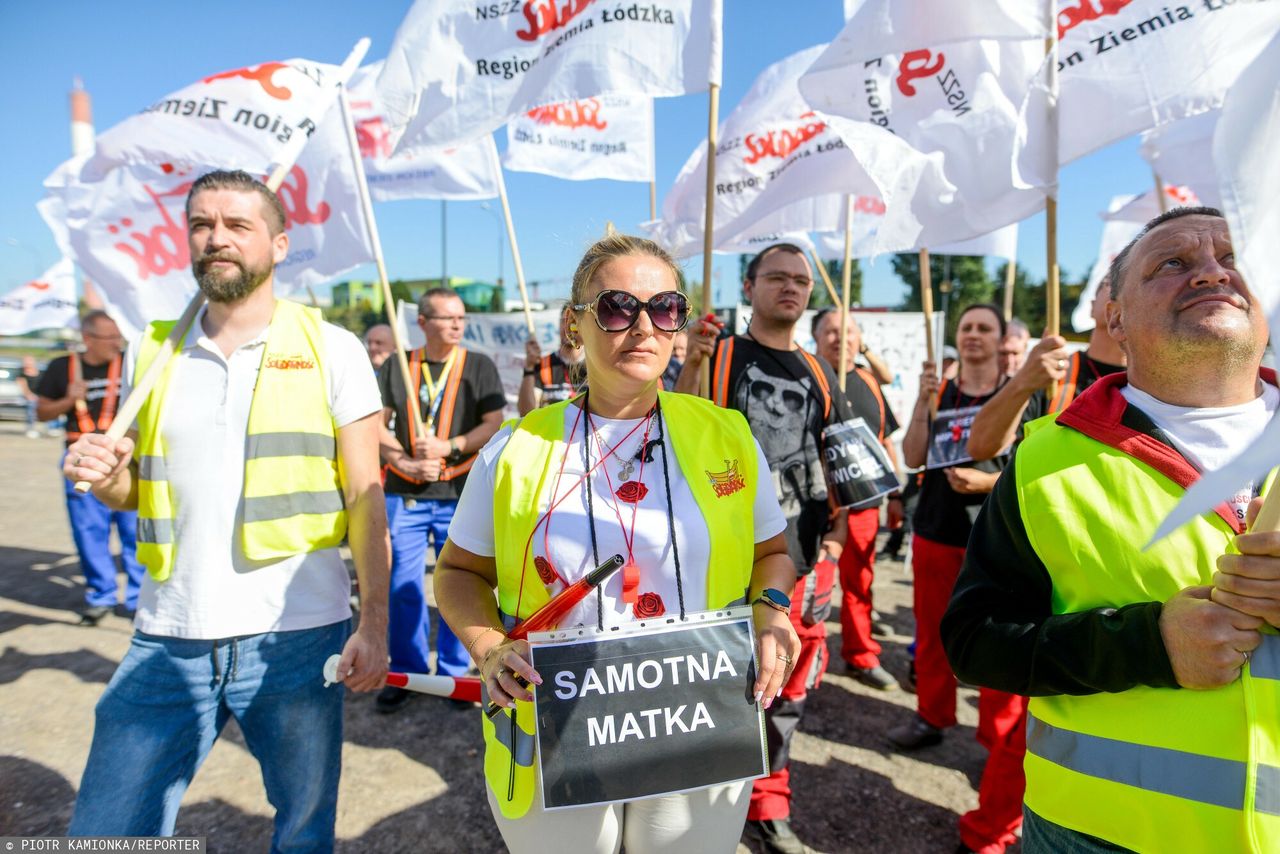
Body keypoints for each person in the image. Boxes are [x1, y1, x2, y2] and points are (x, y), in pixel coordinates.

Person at [434, 233, 800, 853]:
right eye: (616, 307)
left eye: (664, 308)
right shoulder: (515, 450)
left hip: (698, 712)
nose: (643, 326)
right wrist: (489, 647)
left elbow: (773, 553)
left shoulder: (729, 436)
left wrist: (773, 609)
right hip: (557, 720)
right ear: (576, 327)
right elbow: (458, 574)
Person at [63, 169, 389, 846]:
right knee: (108, 828)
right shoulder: (153, 352)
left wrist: (377, 624)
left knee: (302, 830)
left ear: (278, 244)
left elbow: (366, 498)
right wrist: (105, 476)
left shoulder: (333, 348)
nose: (217, 239)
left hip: (295, 636)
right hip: (166, 630)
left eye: (238, 225)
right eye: (202, 225)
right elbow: (136, 493)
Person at [943, 207, 1279, 853]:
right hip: (1097, 835)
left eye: (1233, 258)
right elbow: (975, 641)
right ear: (1114, 317)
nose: (1212, 273)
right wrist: (1147, 645)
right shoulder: (1045, 461)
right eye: (1173, 263)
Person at [679, 243, 851, 854]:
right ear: (748, 286)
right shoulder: (717, 355)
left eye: (801, 280)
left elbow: (837, 462)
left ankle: (768, 799)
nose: (791, 287)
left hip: (797, 560)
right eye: (776, 277)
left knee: (784, 685)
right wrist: (691, 366)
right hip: (719, 564)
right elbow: (676, 426)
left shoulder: (821, 372)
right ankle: (696, 801)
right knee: (712, 683)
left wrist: (836, 537)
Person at [894, 303, 1027, 854]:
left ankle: (996, 746)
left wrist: (987, 485)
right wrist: (925, 403)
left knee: (998, 650)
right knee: (932, 637)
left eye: (985, 328)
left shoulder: (1022, 393)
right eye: (967, 327)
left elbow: (1035, 471)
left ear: (1001, 340)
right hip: (937, 532)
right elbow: (912, 456)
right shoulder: (940, 391)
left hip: (998, 545)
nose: (974, 336)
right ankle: (932, 716)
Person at [376, 287, 505, 712]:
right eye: (448, 318)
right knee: (404, 587)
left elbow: (493, 423)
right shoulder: (399, 365)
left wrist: (450, 446)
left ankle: (454, 673)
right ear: (423, 322)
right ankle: (408, 673)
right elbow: (378, 424)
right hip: (407, 493)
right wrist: (402, 461)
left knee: (460, 583)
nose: (457, 325)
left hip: (458, 492)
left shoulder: (478, 365)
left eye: (461, 318)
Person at [811, 307, 903, 690]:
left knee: (859, 584)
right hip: (813, 507)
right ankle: (801, 660)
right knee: (809, 589)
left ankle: (860, 656)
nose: (840, 338)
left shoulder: (868, 381)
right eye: (830, 330)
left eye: (848, 331)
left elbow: (884, 441)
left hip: (864, 504)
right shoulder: (804, 376)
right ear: (815, 337)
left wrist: (898, 492)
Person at [36, 311, 143, 624]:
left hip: (123, 455)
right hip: (80, 458)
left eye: (117, 337)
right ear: (87, 338)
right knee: (89, 532)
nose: (115, 343)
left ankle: (137, 598)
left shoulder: (129, 362)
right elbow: (41, 412)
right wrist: (68, 401)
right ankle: (101, 596)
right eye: (108, 338)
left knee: (134, 530)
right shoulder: (61, 367)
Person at [967, 284, 1126, 461]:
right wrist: (1024, 379)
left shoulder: (1156, 387)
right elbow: (980, 446)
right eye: (1108, 281)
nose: (1119, 283)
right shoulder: (1052, 372)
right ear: (1092, 307)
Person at [518, 309, 585, 415]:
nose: (568, 327)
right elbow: (526, 413)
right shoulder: (543, 364)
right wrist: (529, 367)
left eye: (574, 320)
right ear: (558, 325)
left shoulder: (596, 365)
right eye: (565, 320)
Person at [812, 306, 893, 385]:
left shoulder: (866, 377)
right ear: (815, 335)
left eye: (848, 331)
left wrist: (863, 349)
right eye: (832, 331)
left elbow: (886, 378)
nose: (841, 338)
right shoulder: (809, 377)